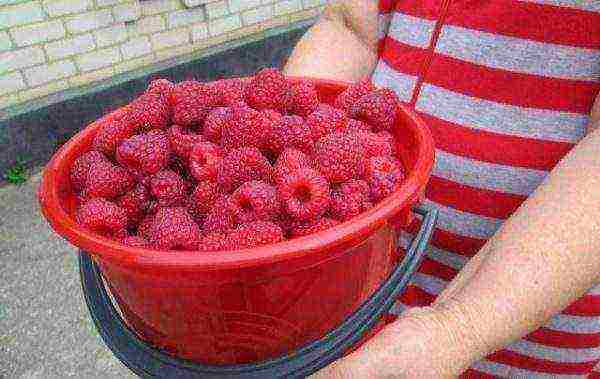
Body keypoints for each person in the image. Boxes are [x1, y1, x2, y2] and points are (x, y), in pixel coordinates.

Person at [283, 1, 600, 377]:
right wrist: (282, 145)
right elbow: (351, 28)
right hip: (365, 285)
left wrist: (456, 329)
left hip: (518, 315)